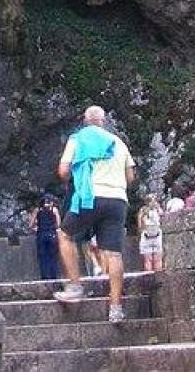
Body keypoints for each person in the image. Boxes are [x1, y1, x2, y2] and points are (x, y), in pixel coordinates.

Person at [54, 105, 136, 324]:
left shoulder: (78, 139)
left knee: (65, 234)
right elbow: (130, 177)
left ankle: (74, 285)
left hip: (90, 196)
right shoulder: (118, 142)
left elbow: (63, 171)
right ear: (103, 121)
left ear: (85, 120)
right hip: (118, 200)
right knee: (113, 254)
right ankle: (116, 308)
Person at [31, 193, 61, 281]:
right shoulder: (54, 210)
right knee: (53, 256)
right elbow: (58, 224)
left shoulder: (37, 210)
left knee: (43, 257)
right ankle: (53, 276)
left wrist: (36, 228)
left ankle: (44, 277)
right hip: (52, 234)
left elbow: (31, 224)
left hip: (41, 234)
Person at [137, 195, 164, 272]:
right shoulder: (157, 210)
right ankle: (158, 278)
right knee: (158, 259)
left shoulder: (142, 210)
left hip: (146, 235)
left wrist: (141, 230)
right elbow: (163, 217)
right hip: (157, 234)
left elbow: (139, 225)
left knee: (148, 259)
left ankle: (149, 279)